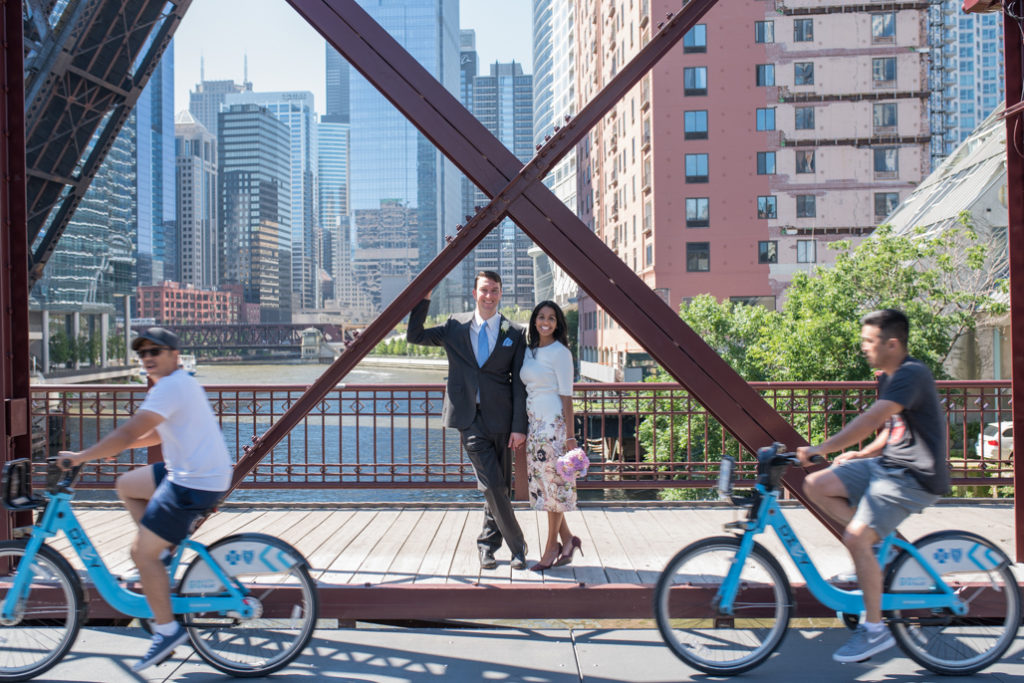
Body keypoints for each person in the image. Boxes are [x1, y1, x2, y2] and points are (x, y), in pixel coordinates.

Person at [58, 327, 232, 672]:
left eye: (155, 351)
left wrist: (82, 455)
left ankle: (166, 632)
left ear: (174, 354)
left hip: (192, 482)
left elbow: (127, 431)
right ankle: (162, 553)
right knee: (126, 484)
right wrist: (115, 449)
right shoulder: (181, 384)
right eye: (143, 354)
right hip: (192, 472)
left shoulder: (169, 387)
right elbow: (153, 432)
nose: (148, 358)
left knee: (140, 553)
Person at [796, 309, 948, 664]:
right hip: (887, 466)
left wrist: (822, 448)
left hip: (914, 476)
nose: (863, 347)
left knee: (855, 538)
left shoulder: (911, 374)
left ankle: (875, 632)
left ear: (892, 344)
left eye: (869, 341)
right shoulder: (890, 377)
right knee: (816, 484)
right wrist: (858, 455)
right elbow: (889, 430)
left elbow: (871, 419)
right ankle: (880, 552)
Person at [406, 271, 529, 570]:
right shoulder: (454, 326)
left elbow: (518, 384)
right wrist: (424, 297)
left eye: (495, 290)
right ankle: (518, 546)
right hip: (468, 418)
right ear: (474, 293)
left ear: (501, 294)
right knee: (492, 484)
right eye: (484, 290)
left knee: (498, 486)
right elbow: (415, 335)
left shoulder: (514, 332)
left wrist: (518, 426)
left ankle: (487, 545)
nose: (489, 296)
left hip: (502, 419)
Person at [519, 301, 584, 571]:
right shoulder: (530, 351)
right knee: (547, 490)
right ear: (534, 321)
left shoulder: (561, 353)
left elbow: (567, 397)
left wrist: (570, 436)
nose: (546, 322)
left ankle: (550, 550)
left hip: (554, 431)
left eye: (552, 318)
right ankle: (567, 540)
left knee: (554, 491)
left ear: (558, 324)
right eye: (541, 317)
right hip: (535, 430)